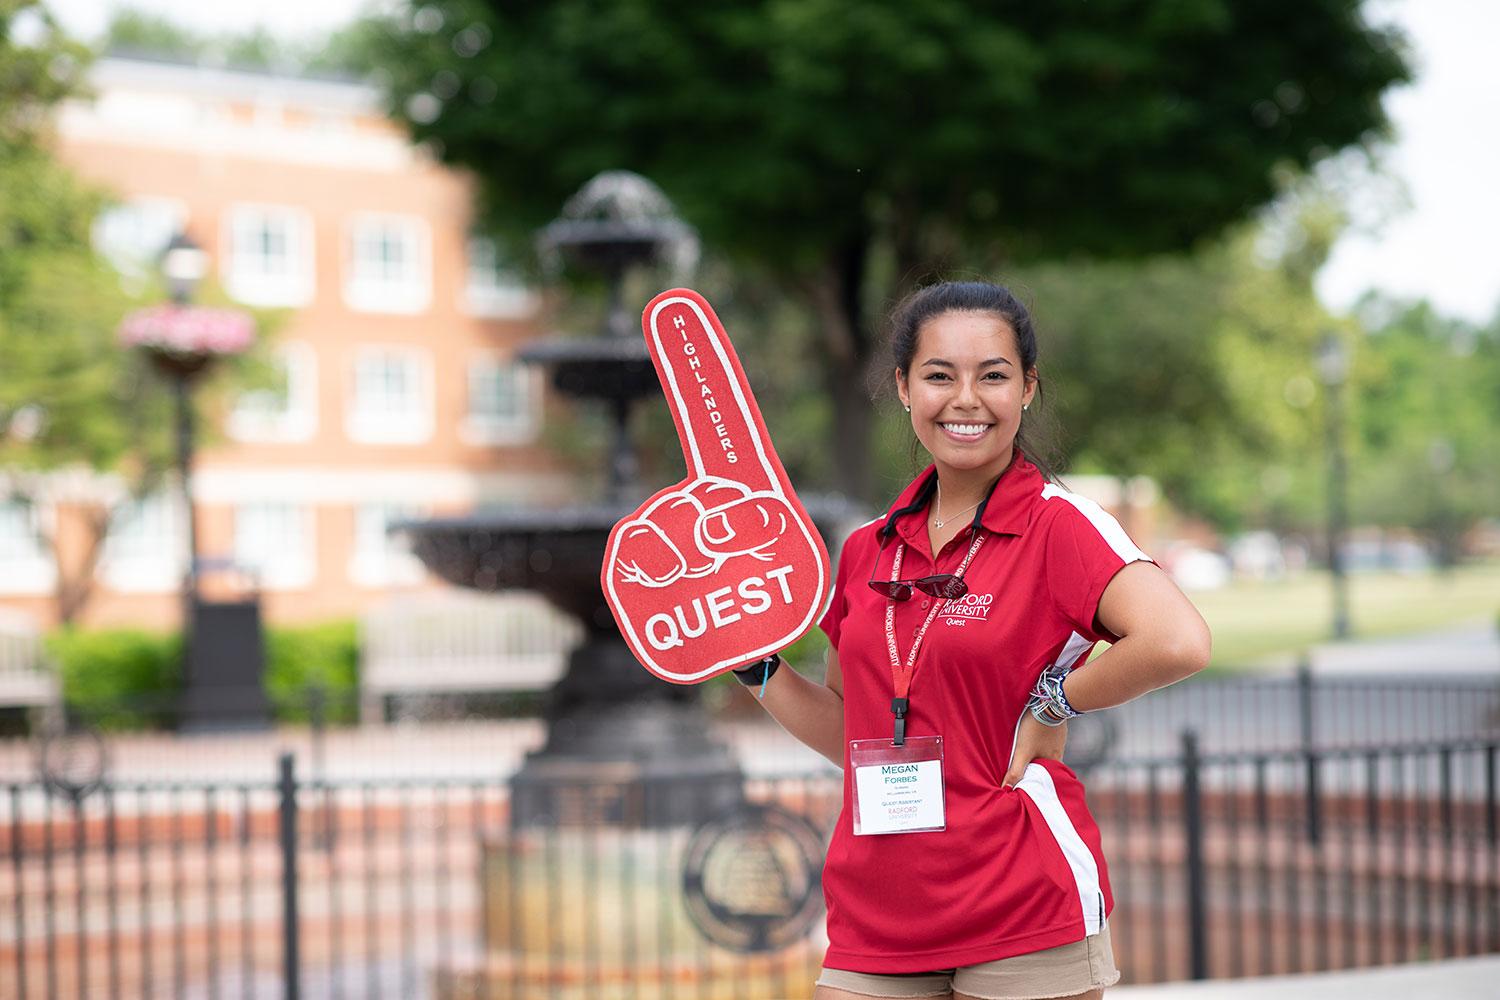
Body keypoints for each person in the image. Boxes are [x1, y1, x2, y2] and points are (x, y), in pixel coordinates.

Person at [730, 281, 1212, 1000]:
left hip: (1022, 900)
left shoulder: (1059, 526)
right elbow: (853, 732)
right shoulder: (867, 549)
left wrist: (1054, 704)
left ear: (1027, 388)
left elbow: (1177, 640)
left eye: (992, 375)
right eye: (938, 375)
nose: (966, 399)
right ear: (902, 387)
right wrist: (754, 667)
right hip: (879, 909)